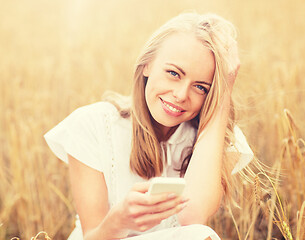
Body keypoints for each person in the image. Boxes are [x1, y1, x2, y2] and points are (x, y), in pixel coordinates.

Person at [44, 12, 255, 240]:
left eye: (201, 87)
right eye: (173, 73)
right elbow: (92, 235)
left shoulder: (218, 137)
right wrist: (118, 221)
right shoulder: (93, 124)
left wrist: (223, 94)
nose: (181, 95)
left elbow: (192, 218)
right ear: (146, 65)